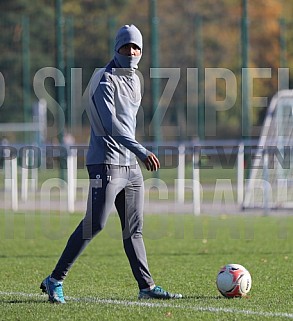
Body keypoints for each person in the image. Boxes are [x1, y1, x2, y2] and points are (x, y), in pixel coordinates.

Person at [40, 24, 182, 303]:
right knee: (95, 224)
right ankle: (55, 279)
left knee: (134, 229)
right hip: (105, 163)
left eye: (136, 47)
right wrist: (141, 150)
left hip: (130, 166)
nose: (131, 52)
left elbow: (128, 123)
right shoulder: (104, 80)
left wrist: (135, 155)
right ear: (116, 48)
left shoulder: (136, 78)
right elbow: (112, 126)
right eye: (126, 47)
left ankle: (146, 287)